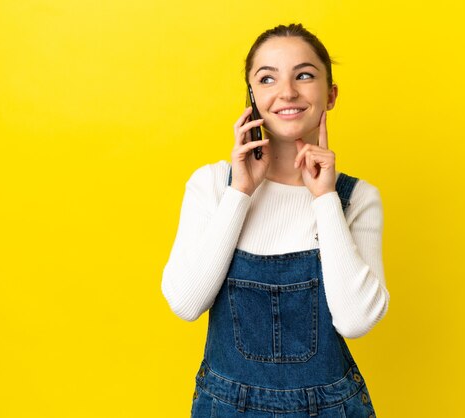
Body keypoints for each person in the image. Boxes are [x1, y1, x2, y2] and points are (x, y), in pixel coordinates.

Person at [162, 23, 389, 417]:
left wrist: (324, 198)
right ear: (252, 96)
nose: (287, 92)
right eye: (267, 78)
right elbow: (185, 303)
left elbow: (356, 320)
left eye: (304, 75)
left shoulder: (357, 199)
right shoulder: (213, 186)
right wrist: (240, 194)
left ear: (330, 94)